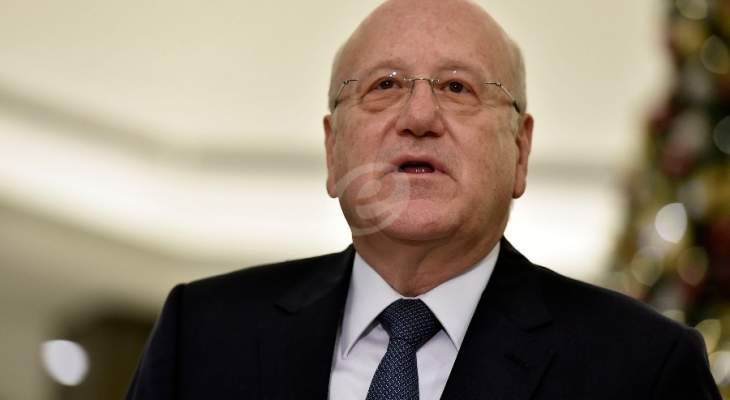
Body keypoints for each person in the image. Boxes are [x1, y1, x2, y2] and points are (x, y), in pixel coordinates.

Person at [126, 0, 722, 399]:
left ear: (520, 150)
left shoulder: (643, 367)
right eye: (384, 85)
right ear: (333, 150)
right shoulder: (201, 334)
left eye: (458, 88)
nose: (419, 116)